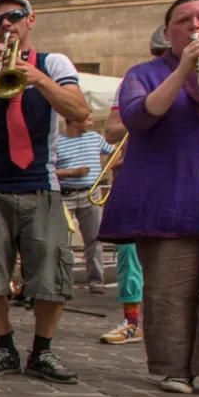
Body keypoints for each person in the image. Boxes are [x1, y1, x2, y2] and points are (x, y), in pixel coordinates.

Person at [0, 0, 91, 384]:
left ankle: (42, 351)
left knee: (50, 272)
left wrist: (38, 79)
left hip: (41, 184)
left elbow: (79, 111)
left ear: (30, 20)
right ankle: (4, 346)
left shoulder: (53, 64)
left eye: (14, 16)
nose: (6, 25)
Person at [101, 0, 199, 394]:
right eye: (183, 20)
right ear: (168, 31)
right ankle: (175, 369)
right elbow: (138, 117)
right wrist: (184, 70)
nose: (195, 25)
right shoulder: (145, 73)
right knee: (169, 290)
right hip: (168, 200)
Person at [98, 26, 167, 346]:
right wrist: (151, 109)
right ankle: (132, 321)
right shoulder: (138, 80)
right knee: (130, 253)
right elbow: (112, 130)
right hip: (142, 178)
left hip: (190, 180)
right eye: (160, 53)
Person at [55, 117, 116, 293]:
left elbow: (115, 151)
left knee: (94, 238)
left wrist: (106, 168)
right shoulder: (57, 141)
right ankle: (61, 282)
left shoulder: (95, 138)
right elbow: (48, 168)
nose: (91, 123)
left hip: (90, 194)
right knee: (60, 240)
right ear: (75, 121)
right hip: (65, 195)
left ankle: (96, 280)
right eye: (88, 119)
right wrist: (70, 172)